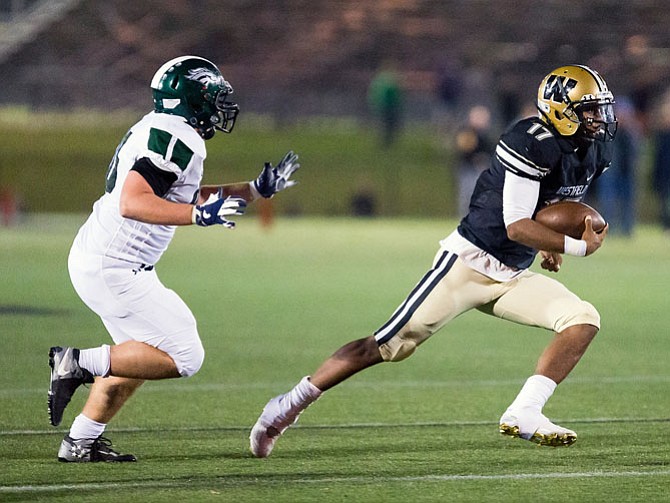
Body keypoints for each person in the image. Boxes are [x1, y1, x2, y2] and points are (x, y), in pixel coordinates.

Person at [249, 65, 617, 458]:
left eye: (600, 109)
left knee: (582, 319)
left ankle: (525, 411)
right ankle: (288, 405)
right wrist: (576, 246)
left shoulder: (594, 149)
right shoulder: (530, 140)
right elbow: (516, 225)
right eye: (590, 110)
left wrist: (551, 245)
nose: (599, 119)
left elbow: (549, 203)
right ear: (561, 108)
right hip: (467, 264)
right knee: (386, 346)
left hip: (512, 273)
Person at [48, 55, 300, 462]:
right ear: (192, 98)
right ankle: (75, 362)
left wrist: (254, 190)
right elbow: (134, 202)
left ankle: (80, 440)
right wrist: (197, 218)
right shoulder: (177, 137)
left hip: (103, 258)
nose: (220, 106)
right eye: (214, 96)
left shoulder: (165, 128)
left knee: (140, 356)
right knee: (185, 353)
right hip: (115, 266)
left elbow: (182, 193)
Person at [454, 105, 495, 217]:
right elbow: (465, 149)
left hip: (481, 170)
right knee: (467, 196)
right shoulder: (466, 132)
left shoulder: (485, 135)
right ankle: (465, 218)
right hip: (468, 169)